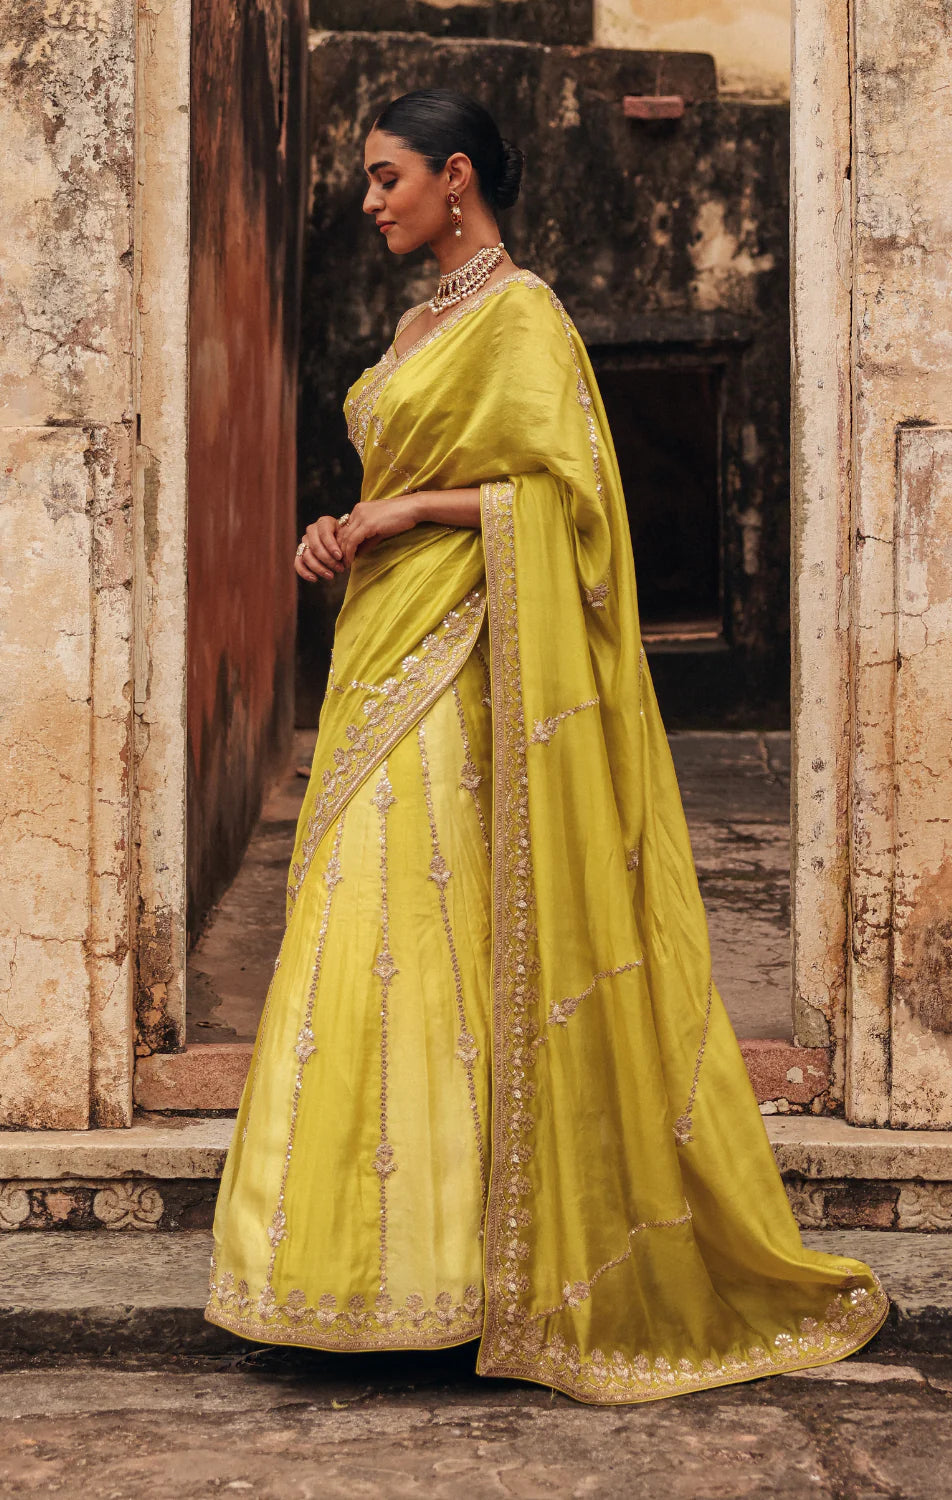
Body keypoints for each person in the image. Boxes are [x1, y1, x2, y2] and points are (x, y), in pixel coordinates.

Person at [205, 88, 888, 1404]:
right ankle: (339, 1273)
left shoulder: (524, 316)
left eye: (389, 176)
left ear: (455, 176)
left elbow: (569, 505)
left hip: (462, 663)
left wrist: (405, 513)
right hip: (381, 648)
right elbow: (400, 487)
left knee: (421, 935)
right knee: (358, 926)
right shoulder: (416, 323)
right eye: (370, 179)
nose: (370, 200)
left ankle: (461, 1280)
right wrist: (344, 527)